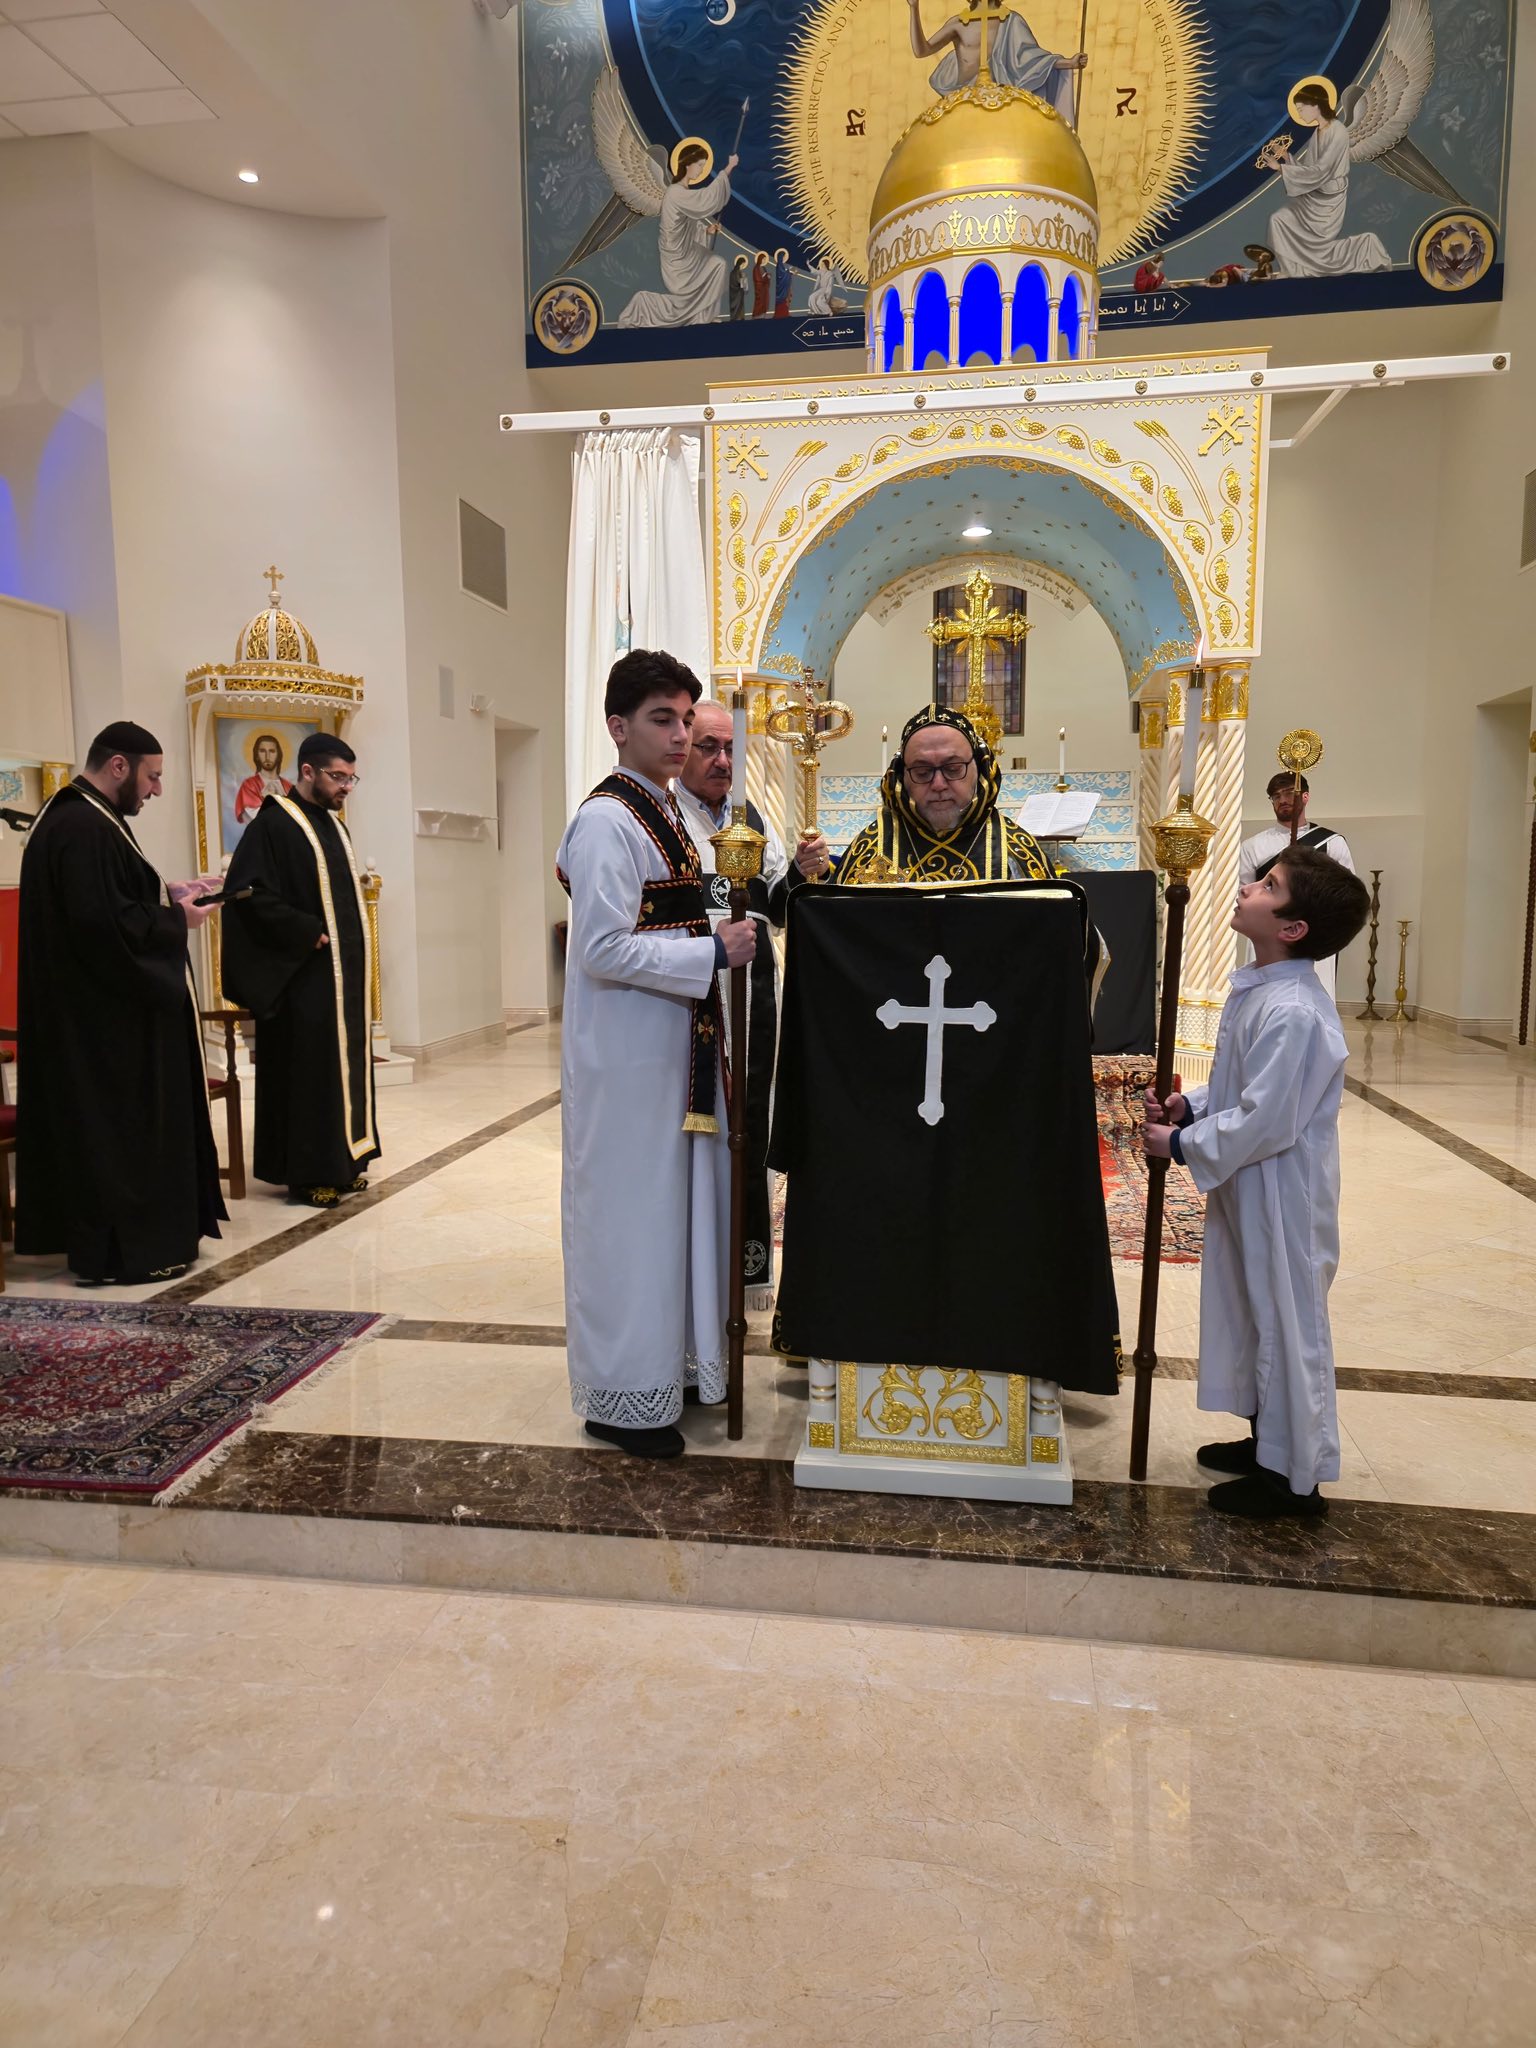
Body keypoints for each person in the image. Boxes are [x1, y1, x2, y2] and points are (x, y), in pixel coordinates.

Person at [556, 649, 758, 1458]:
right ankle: (621, 1399)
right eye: (661, 720)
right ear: (618, 727)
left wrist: (723, 926)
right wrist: (713, 953)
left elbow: (672, 915)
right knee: (631, 1223)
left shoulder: (666, 811)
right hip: (627, 1058)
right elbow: (602, 948)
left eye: (684, 719)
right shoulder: (607, 821)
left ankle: (673, 1370)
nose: (679, 736)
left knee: (674, 1216)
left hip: (675, 1050)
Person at [1144, 846, 1370, 1519]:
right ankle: (1268, 1440)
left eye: (1267, 885)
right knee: (1252, 1308)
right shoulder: (1264, 988)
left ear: (1292, 928)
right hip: (1252, 1181)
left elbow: (1268, 1119)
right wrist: (1193, 1107)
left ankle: (1295, 1480)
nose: (1248, 888)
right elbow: (1245, 1087)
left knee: (1288, 1323)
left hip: (1283, 1191)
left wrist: (1179, 1144)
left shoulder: (1295, 1009)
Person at [16, 721, 225, 1284]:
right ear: (118, 766)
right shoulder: (83, 825)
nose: (156, 789)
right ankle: (129, 1252)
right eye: (152, 776)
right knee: (120, 1136)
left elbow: (112, 902)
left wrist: (169, 894)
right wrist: (177, 920)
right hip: (104, 1027)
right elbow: (102, 929)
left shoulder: (82, 815)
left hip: (93, 1016)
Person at [674, 698, 825, 1309]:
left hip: (756, 1000)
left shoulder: (751, 817)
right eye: (709, 746)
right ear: (683, 747)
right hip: (692, 1002)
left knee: (750, 1127)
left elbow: (777, 910)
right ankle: (695, 1273)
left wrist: (803, 875)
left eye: (731, 748)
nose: (722, 760)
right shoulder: (665, 821)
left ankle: (746, 1266)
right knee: (698, 1132)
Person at [220, 733, 379, 1207]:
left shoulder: (334, 827)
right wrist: (304, 930)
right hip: (301, 976)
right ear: (307, 772)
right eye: (338, 777)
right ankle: (309, 1174)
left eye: (351, 778)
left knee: (339, 1070)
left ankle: (344, 1163)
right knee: (309, 1074)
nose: (346, 787)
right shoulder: (274, 824)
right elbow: (247, 895)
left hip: (340, 979)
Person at [1239, 772, 1356, 1000]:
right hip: (1269, 934)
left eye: (1288, 793)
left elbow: (1346, 896)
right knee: (1263, 998)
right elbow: (1245, 894)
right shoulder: (1253, 847)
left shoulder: (1332, 843)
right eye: (1276, 796)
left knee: (1312, 998)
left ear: (1305, 796)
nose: (1282, 800)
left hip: (1313, 934)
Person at [1259, 83, 1390, 278]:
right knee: (1278, 219)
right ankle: (1293, 270)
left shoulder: (1338, 131)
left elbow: (1321, 171)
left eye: (1301, 108)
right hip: (1314, 196)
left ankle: (1366, 247)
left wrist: (1280, 169)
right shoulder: (1318, 131)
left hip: (1327, 202)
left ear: (1316, 105)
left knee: (1317, 247)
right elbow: (1310, 170)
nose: (1299, 113)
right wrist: (1286, 158)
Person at [618, 143, 739, 328]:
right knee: (717, 265)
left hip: (688, 250)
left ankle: (704, 315)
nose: (702, 170)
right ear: (687, 164)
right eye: (700, 164)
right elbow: (706, 198)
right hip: (678, 258)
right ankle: (644, 304)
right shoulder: (675, 192)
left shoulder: (683, 192)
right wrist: (728, 168)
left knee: (718, 264)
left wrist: (706, 231)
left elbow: (686, 224)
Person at [909, 1, 1085, 114]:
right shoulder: (959, 24)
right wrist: (914, 8)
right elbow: (922, 50)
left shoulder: (1011, 21)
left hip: (999, 105)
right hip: (962, 102)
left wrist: (1069, 63)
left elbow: (1032, 61)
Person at [234, 733, 293, 825]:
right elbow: (255, 822)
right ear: (257, 755)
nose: (267, 757)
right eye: (262, 751)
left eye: (272, 751)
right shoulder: (249, 786)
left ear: (278, 755)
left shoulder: (289, 787)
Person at [729, 253, 749, 321]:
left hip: (739, 293)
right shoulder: (735, 272)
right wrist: (743, 278)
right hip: (736, 294)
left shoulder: (737, 272)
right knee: (737, 307)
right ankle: (737, 318)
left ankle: (740, 317)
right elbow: (738, 282)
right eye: (742, 264)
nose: (743, 266)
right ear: (740, 264)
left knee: (740, 307)